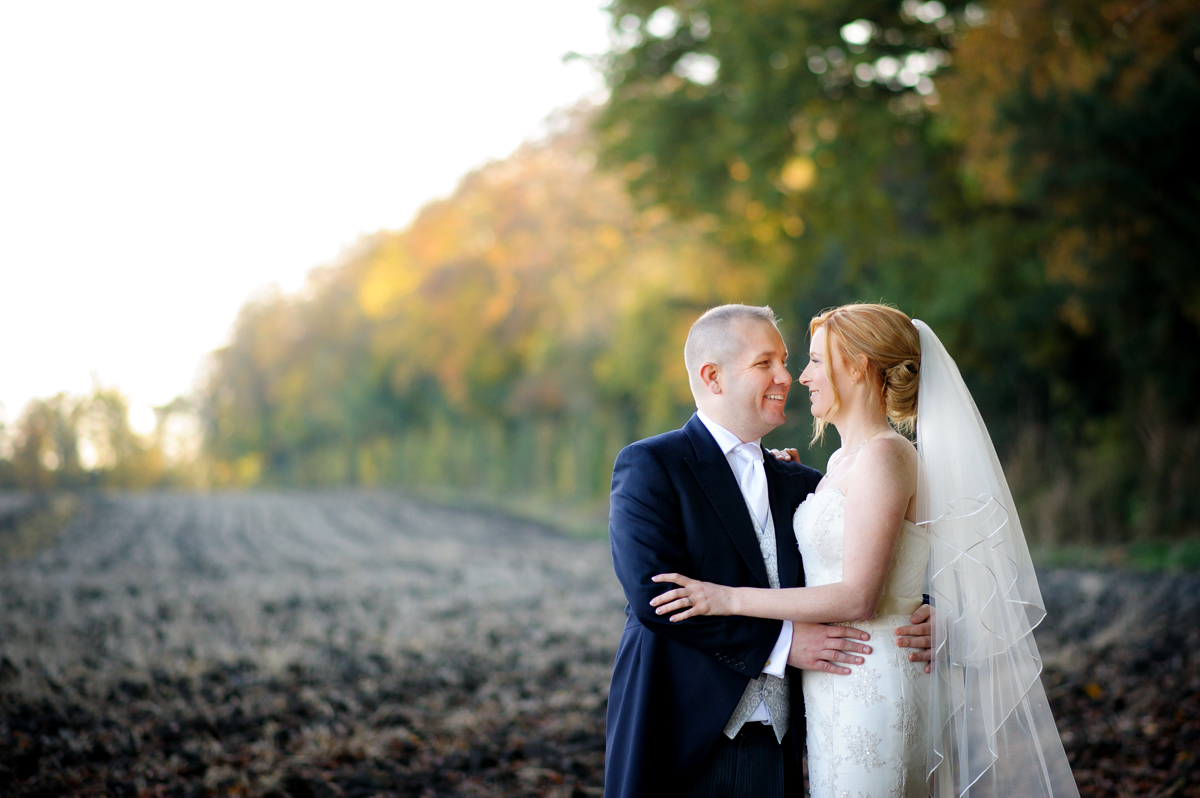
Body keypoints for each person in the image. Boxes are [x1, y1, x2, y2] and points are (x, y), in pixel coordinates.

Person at [651, 303, 1080, 798]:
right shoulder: (837, 463)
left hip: (873, 681)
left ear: (855, 365)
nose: (800, 377)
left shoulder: (887, 454)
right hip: (837, 685)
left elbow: (859, 595)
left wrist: (726, 598)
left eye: (813, 360)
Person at [604, 304, 933, 798]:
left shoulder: (804, 484)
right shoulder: (652, 465)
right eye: (765, 364)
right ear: (713, 377)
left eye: (787, 360)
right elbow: (658, 598)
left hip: (784, 745)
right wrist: (781, 646)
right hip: (680, 736)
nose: (788, 376)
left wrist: (927, 614)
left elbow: (871, 562)